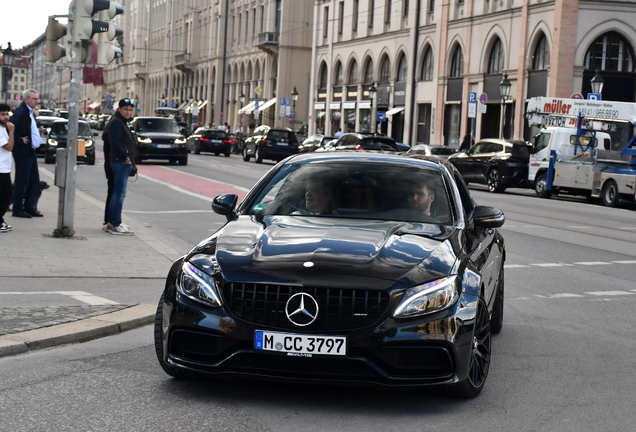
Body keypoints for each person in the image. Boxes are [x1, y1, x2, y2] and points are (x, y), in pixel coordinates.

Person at [103, 99, 136, 235]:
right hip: (120, 162)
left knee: (116, 192)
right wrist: (125, 157)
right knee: (119, 193)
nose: (128, 112)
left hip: (120, 162)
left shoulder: (121, 121)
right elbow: (115, 142)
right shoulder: (117, 122)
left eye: (129, 109)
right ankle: (115, 223)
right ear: (119, 109)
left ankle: (112, 222)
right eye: (125, 109)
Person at [11, 89, 43, 218]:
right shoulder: (21, 112)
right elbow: (10, 126)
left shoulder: (30, 112)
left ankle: (30, 207)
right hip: (22, 152)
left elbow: (29, 128)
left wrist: (38, 130)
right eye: (34, 99)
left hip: (31, 150)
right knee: (22, 180)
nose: (37, 101)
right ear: (26, 99)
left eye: (37, 99)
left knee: (34, 180)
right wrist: (19, 139)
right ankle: (17, 208)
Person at [0, 103, 14, 232]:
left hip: (5, 168)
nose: (6, 117)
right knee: (4, 195)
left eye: (7, 114)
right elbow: (9, 147)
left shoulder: (4, 129)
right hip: (0, 169)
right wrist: (11, 131)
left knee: (7, 194)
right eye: (2, 114)